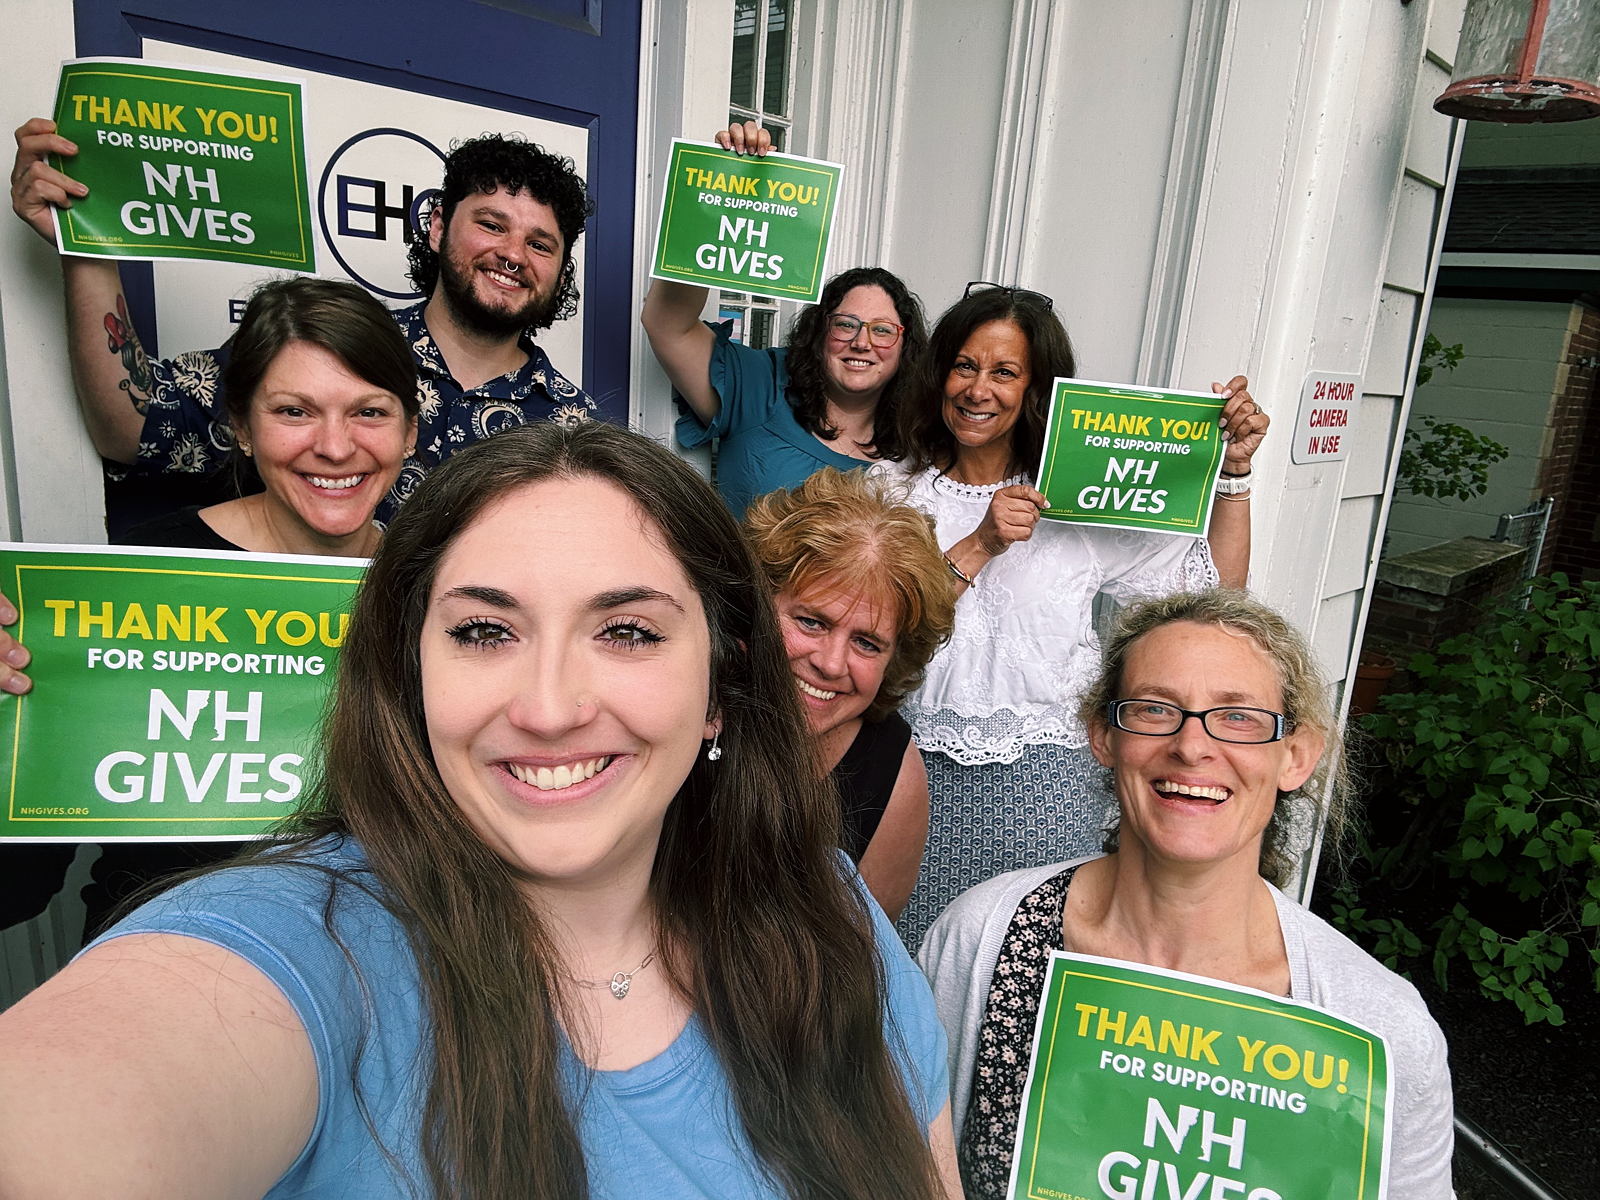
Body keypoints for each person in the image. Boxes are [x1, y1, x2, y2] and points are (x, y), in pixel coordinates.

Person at [0, 421, 962, 1199]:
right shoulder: (309, 948)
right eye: (485, 631)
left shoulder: (830, 912)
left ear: (720, 687)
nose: (548, 708)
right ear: (410, 673)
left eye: (628, 631)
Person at [918, 590, 1455, 1198]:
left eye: (1238, 717)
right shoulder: (981, 939)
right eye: (1153, 709)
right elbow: (908, 1165)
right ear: (1103, 736)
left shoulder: (1379, 1030)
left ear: (1296, 756)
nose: (1192, 746)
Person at [888, 283, 1269, 946]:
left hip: (1047, 787)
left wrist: (1232, 476)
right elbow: (882, 628)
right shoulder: (892, 491)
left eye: (1005, 372)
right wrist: (980, 544)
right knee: (906, 955)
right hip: (907, 772)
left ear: (1037, 389)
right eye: (964, 366)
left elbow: (1213, 594)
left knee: (1025, 958)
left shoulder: (1077, 497)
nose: (978, 389)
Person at [10, 121, 594, 526]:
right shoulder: (323, 343)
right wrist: (85, 242)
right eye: (491, 225)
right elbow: (133, 426)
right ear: (438, 226)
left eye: (540, 243)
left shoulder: (578, 426)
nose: (513, 254)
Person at [642, 122, 928, 515]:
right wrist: (723, 189)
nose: (862, 343)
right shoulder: (762, 385)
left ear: (905, 345)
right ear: (819, 331)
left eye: (882, 331)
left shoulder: (919, 438)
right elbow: (667, 326)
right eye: (846, 324)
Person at [743, 468, 957, 919]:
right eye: (812, 622)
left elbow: (863, 950)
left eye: (867, 643)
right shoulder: (685, 705)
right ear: (757, 602)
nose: (831, 664)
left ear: (896, 658)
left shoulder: (893, 774)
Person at [119, 275, 418, 556]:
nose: (335, 449)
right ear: (242, 426)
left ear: (410, 432)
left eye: (369, 412)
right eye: (294, 412)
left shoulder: (429, 575)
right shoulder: (150, 566)